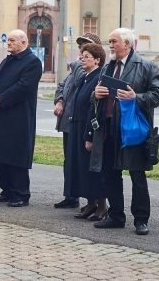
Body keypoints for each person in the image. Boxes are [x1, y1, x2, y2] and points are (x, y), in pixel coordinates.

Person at [92, 27, 159, 236]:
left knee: (137, 176)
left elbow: (158, 95)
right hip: (108, 129)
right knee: (109, 175)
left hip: (132, 131)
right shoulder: (108, 68)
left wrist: (137, 97)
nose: (111, 46)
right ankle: (116, 216)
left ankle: (141, 219)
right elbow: (95, 97)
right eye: (110, 41)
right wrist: (96, 94)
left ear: (127, 44)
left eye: (114, 41)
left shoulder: (146, 66)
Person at [0, 30, 42, 207]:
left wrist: (1, 100)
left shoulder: (32, 62)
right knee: (1, 153)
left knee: (16, 154)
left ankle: (21, 194)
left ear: (24, 43)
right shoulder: (7, 60)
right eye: (8, 40)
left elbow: (23, 87)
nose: (8, 43)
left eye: (12, 40)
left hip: (19, 116)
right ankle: (7, 190)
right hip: (1, 114)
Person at [54, 32, 101, 209]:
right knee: (69, 159)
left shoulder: (82, 68)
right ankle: (70, 194)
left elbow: (79, 79)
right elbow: (62, 85)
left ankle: (91, 200)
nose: (81, 50)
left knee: (83, 161)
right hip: (69, 120)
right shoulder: (78, 67)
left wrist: (76, 64)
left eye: (86, 46)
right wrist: (59, 100)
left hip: (82, 121)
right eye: (80, 46)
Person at [71, 44, 107, 221]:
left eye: (86, 56)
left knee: (93, 169)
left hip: (89, 128)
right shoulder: (86, 77)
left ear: (97, 60)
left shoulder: (99, 78)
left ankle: (101, 205)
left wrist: (89, 135)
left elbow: (94, 109)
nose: (82, 59)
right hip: (78, 126)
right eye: (81, 56)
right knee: (82, 168)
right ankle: (90, 202)